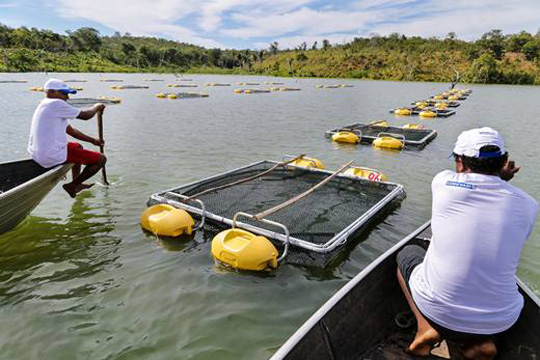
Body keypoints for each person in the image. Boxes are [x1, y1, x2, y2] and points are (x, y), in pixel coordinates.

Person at [396, 127, 538, 359]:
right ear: (503, 161)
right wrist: (502, 179)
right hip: (501, 322)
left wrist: (500, 176)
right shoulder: (529, 205)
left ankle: (425, 327)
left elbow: (474, 184)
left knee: (407, 253)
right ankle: (484, 342)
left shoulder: (442, 183)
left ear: (460, 163)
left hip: (437, 312)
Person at [28, 78, 107, 198]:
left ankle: (77, 183)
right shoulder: (55, 103)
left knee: (77, 146)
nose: (67, 97)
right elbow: (85, 116)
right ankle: (72, 185)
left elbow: (71, 131)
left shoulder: (44, 105)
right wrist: (96, 106)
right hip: (50, 154)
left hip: (38, 153)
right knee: (101, 159)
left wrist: (93, 140)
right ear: (52, 92)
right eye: (64, 93)